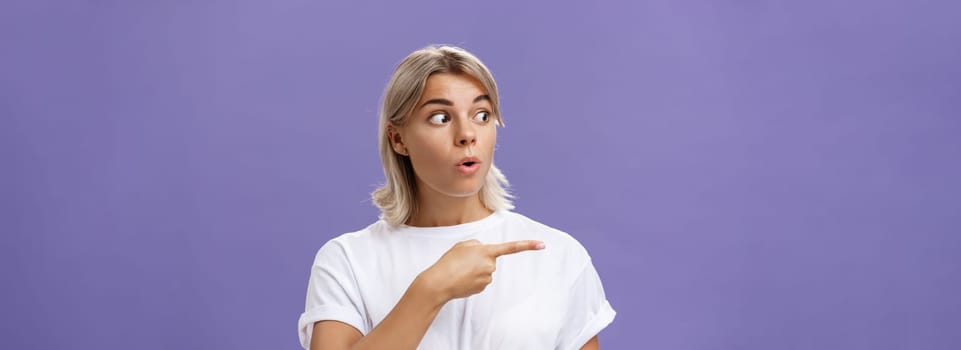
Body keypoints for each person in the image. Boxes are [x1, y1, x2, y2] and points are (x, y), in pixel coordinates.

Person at [298, 45, 615, 350]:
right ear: (398, 139)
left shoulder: (558, 255)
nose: (467, 134)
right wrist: (431, 290)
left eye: (481, 115)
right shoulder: (347, 261)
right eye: (440, 117)